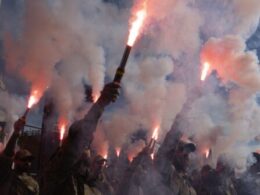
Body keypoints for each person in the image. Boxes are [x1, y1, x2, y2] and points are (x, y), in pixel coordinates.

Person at [41, 82, 120, 195]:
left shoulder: (92, 187)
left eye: (87, 163)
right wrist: (100, 103)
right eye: (83, 161)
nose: (85, 166)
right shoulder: (60, 175)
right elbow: (76, 138)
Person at [0, 117, 39, 195]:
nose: (27, 163)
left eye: (29, 160)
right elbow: (7, 154)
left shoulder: (34, 184)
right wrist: (16, 132)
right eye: (24, 160)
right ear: (15, 160)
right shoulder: (7, 175)